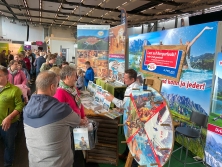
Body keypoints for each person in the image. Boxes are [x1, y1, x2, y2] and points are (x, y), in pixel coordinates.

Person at [23, 71, 81, 167]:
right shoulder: (61, 109)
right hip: (59, 163)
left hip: (34, 162)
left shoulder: (26, 109)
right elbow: (77, 120)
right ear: (52, 87)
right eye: (57, 85)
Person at [53, 66, 88, 167]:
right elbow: (60, 115)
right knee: (71, 150)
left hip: (78, 124)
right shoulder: (60, 92)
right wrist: (78, 120)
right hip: (69, 128)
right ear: (67, 77)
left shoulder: (73, 89)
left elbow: (79, 104)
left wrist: (83, 116)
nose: (76, 78)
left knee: (79, 149)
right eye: (74, 76)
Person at [105, 69, 140, 165]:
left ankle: (133, 162)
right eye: (123, 77)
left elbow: (124, 104)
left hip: (133, 119)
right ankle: (125, 154)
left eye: (125, 78)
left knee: (133, 140)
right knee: (129, 138)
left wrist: (112, 99)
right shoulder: (132, 86)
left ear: (132, 79)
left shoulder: (134, 89)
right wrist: (123, 109)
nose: (124, 80)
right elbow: (128, 104)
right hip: (130, 115)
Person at [0, 65, 24, 167]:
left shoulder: (15, 90)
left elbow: (20, 105)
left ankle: (8, 164)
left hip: (8, 124)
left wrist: (9, 117)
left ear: (6, 76)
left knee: (9, 145)